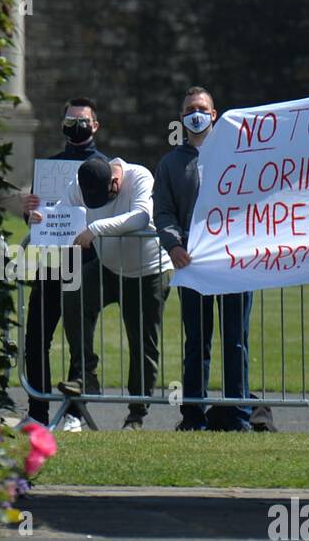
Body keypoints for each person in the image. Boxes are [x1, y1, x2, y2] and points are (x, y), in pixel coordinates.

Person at [154, 86, 254, 432]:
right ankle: (193, 415)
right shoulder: (170, 163)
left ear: (214, 115)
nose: (195, 113)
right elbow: (163, 212)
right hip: (192, 266)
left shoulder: (237, 157)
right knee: (196, 342)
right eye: (189, 109)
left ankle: (239, 414)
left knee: (236, 339)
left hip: (233, 265)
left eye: (202, 108)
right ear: (182, 118)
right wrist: (173, 245)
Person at [51, 155, 169, 430]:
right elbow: (61, 211)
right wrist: (40, 216)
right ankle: (85, 374)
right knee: (73, 291)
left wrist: (95, 228)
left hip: (147, 272)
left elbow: (141, 217)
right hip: (107, 267)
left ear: (115, 182)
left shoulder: (140, 175)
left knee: (143, 343)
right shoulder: (84, 182)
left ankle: (136, 414)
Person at [19, 97, 109, 432]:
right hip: (50, 261)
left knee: (78, 341)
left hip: (84, 265)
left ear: (95, 125)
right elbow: (36, 217)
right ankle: (37, 412)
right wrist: (29, 211)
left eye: (82, 121)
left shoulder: (104, 166)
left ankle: (74, 411)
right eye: (70, 121)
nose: (76, 127)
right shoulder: (50, 167)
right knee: (36, 338)